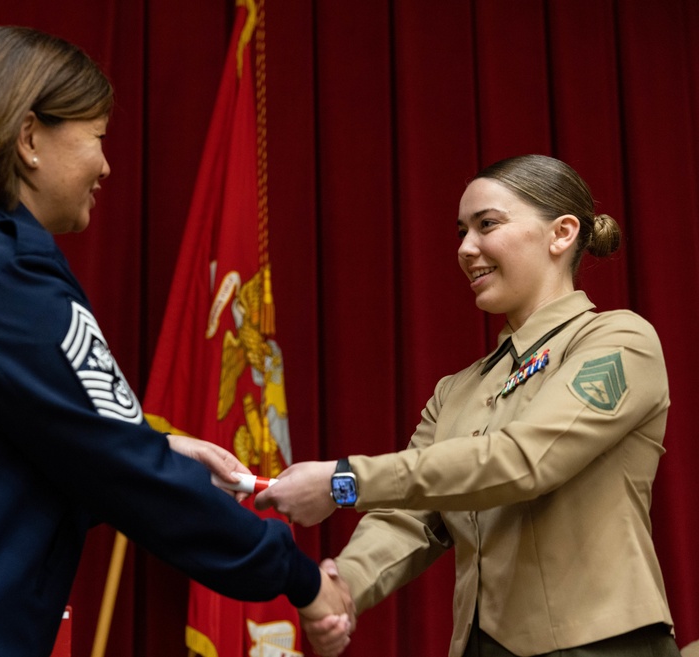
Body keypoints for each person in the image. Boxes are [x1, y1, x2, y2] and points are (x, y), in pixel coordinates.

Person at [0, 26, 353, 657]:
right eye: (98, 137)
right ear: (28, 140)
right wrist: (296, 579)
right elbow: (125, 474)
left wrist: (158, 448)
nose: (106, 165)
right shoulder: (2, 269)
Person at [256, 154, 681, 657]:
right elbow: (411, 516)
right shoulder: (456, 390)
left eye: (487, 225)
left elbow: (525, 460)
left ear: (562, 233)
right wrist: (343, 587)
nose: (465, 248)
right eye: (461, 232)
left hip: (603, 646)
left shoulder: (620, 340)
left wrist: (343, 481)